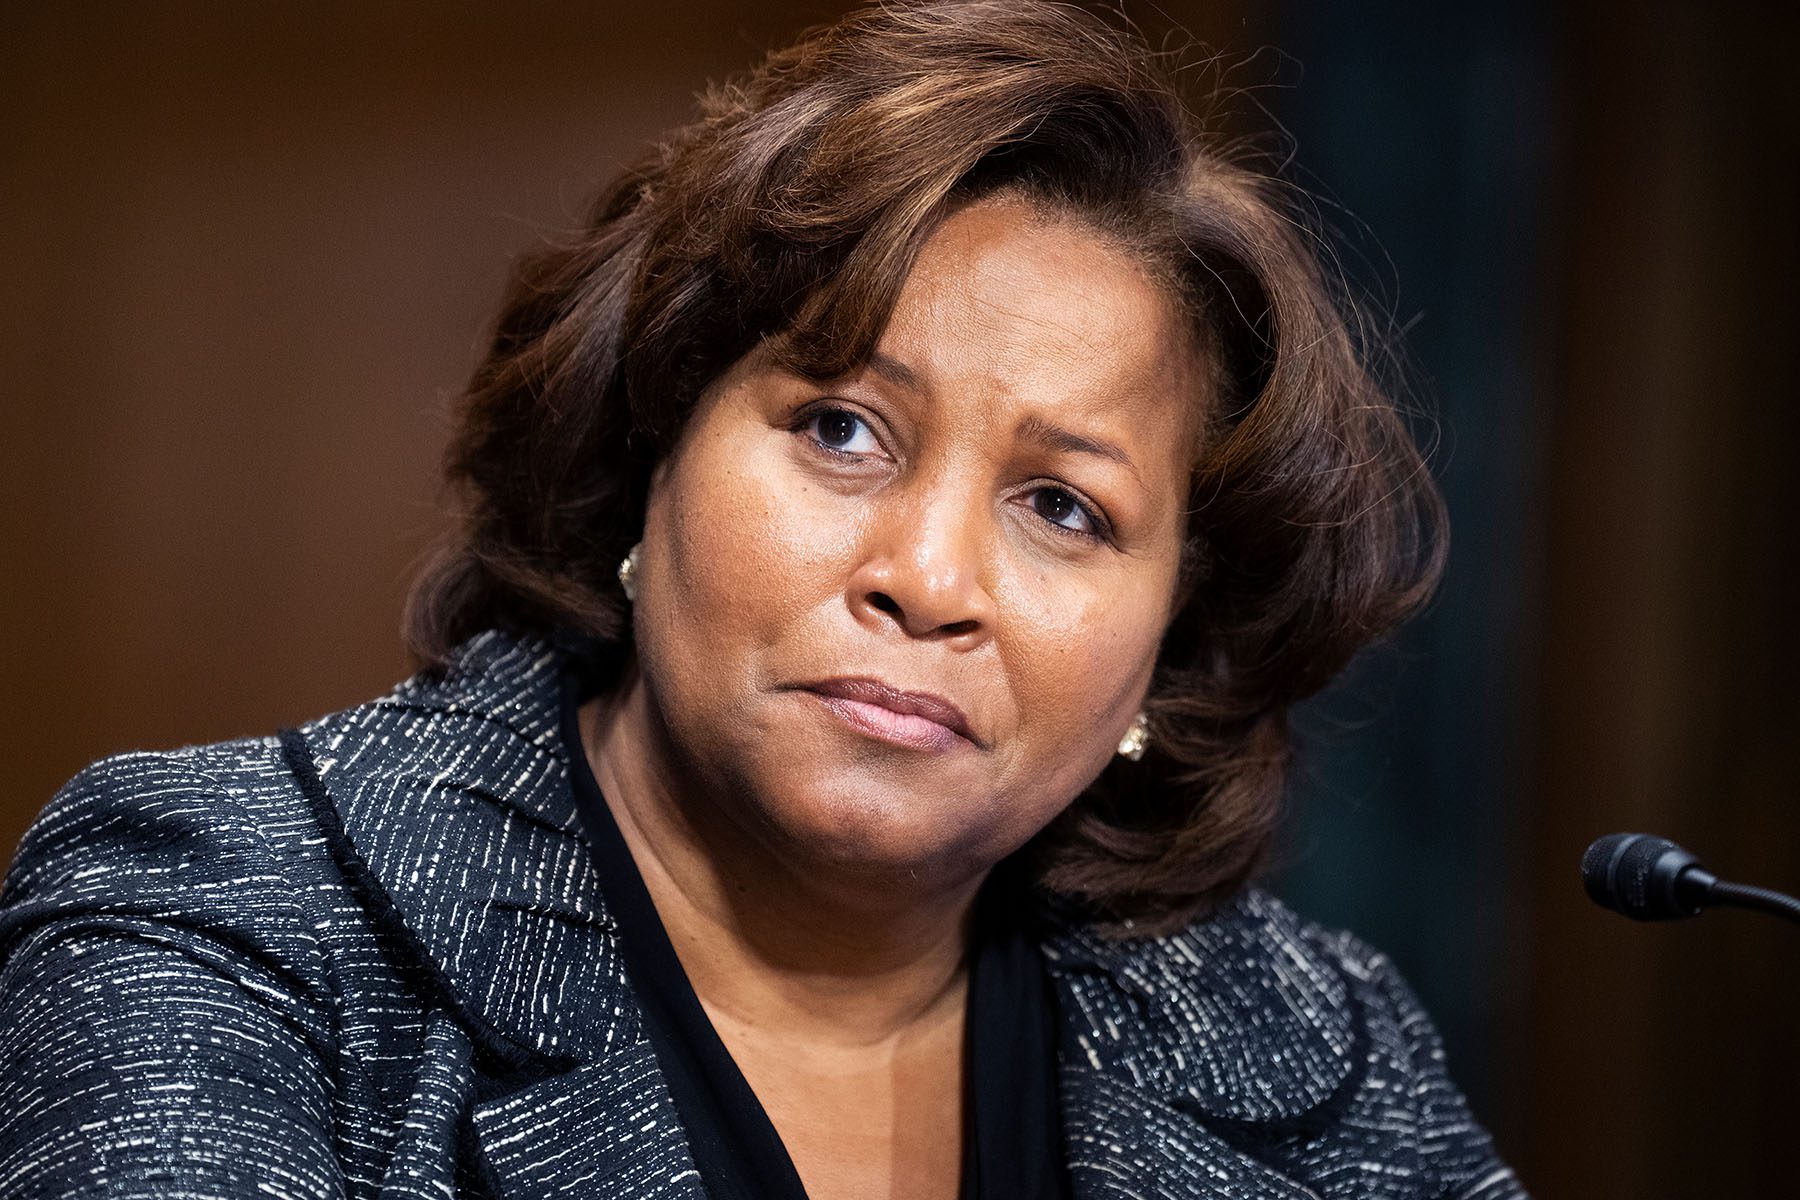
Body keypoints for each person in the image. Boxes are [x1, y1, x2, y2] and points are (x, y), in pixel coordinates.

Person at [0, 2, 1527, 1197]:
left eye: (1065, 507)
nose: (929, 582)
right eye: (841, 430)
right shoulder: (227, 917)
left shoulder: (1315, 1033)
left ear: (1167, 639)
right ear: (650, 443)